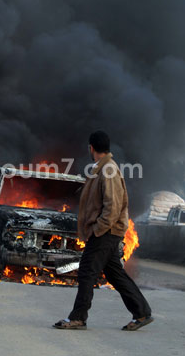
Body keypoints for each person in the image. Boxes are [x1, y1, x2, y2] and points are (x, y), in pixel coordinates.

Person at [54, 131, 153, 331]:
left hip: (105, 232)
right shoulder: (103, 168)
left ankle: (78, 317)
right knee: (115, 274)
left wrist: (97, 229)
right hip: (106, 232)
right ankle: (142, 312)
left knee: (86, 272)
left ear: (91, 147)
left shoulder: (109, 170)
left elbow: (113, 207)